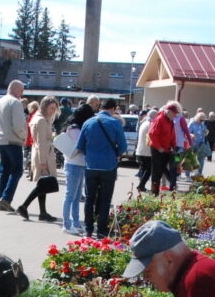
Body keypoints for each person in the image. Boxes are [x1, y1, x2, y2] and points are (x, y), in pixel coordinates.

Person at [76, 98, 127, 238]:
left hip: (91, 166)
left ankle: (88, 229)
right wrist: (114, 154)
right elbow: (123, 147)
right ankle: (102, 230)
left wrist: (90, 155)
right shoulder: (115, 123)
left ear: (100, 108)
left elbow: (80, 146)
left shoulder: (88, 122)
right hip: (109, 166)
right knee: (105, 199)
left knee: (89, 198)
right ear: (113, 109)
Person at [16, 95, 59, 223]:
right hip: (42, 155)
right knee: (42, 185)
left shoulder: (40, 118)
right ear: (45, 106)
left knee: (43, 185)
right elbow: (40, 143)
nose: (53, 111)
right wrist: (44, 163)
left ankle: (42, 212)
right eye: (51, 108)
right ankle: (24, 206)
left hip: (41, 153)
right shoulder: (40, 120)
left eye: (54, 109)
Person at [59, 103, 93, 234]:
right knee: (70, 195)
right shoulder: (74, 128)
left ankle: (76, 222)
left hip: (78, 164)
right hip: (73, 164)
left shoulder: (75, 127)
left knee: (76, 195)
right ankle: (67, 225)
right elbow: (79, 146)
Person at [0, 80, 26, 212]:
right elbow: (18, 125)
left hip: (1, 139)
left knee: (5, 170)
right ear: (16, 89)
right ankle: (6, 199)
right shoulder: (15, 102)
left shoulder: (1, 101)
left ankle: (1, 197)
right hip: (13, 140)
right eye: (21, 90)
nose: (22, 93)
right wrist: (24, 136)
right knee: (17, 170)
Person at [148, 101, 180, 195]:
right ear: (169, 111)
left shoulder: (170, 121)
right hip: (158, 149)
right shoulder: (160, 119)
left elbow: (172, 135)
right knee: (156, 172)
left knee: (162, 170)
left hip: (166, 149)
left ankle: (157, 190)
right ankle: (154, 192)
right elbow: (152, 134)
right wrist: (159, 147)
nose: (175, 116)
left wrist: (174, 146)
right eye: (174, 113)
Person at [135, 109, 157, 193]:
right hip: (147, 151)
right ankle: (141, 185)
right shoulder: (151, 124)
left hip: (140, 150)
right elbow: (151, 137)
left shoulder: (143, 123)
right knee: (148, 170)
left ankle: (141, 185)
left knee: (144, 169)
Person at [188, 112, 210, 178]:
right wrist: (191, 135)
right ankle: (188, 175)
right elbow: (187, 132)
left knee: (201, 160)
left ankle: (199, 174)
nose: (202, 121)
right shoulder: (192, 124)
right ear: (197, 118)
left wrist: (206, 132)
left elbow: (205, 132)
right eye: (201, 120)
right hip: (193, 144)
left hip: (201, 145)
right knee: (191, 160)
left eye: (203, 120)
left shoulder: (202, 124)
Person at [22, 100, 39, 178]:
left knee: (30, 156)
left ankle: (31, 172)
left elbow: (27, 128)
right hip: (35, 139)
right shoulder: (38, 115)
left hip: (30, 138)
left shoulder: (31, 116)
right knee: (33, 156)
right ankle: (32, 172)